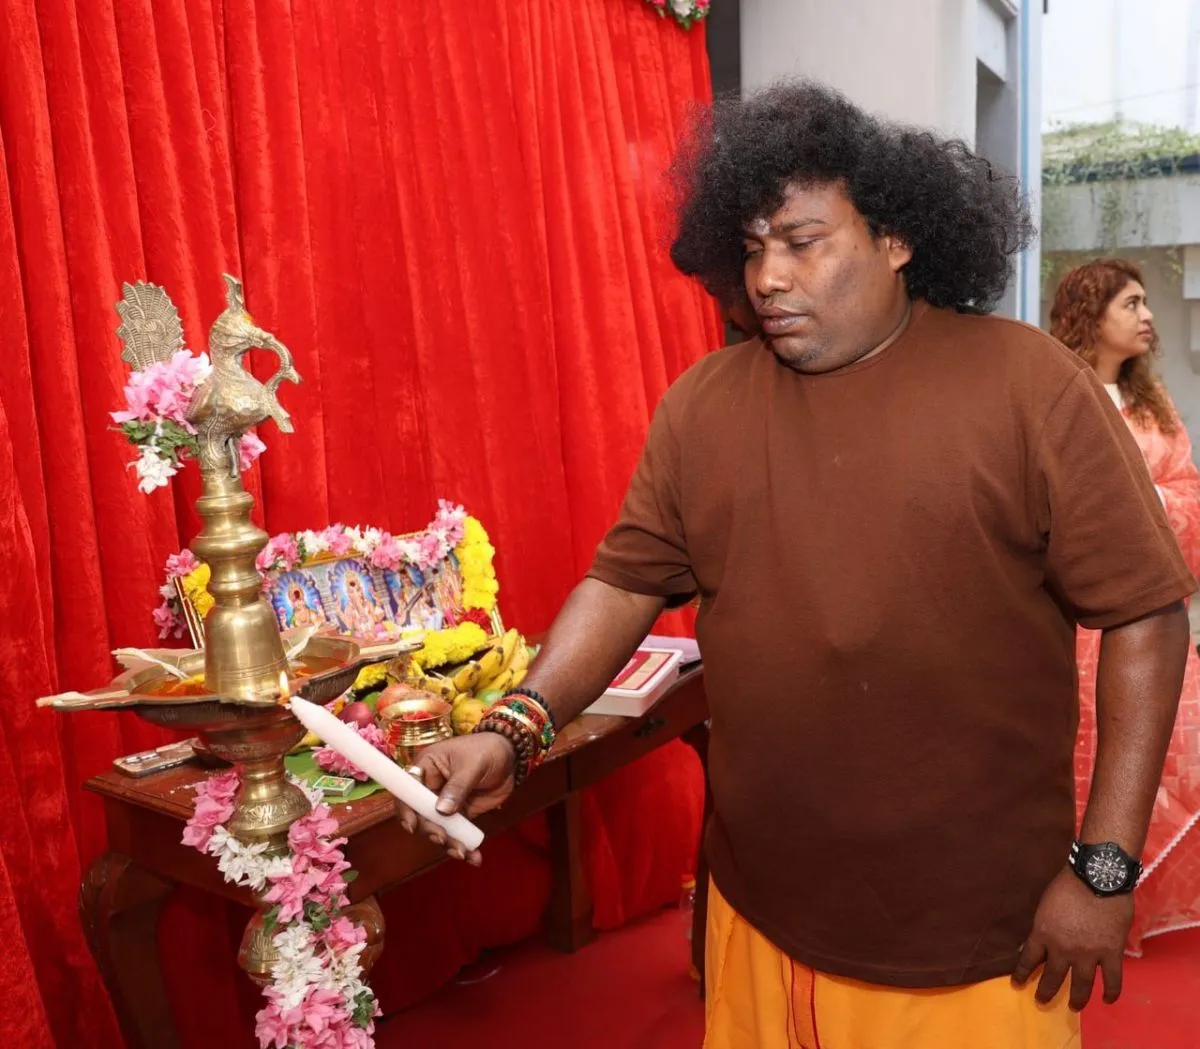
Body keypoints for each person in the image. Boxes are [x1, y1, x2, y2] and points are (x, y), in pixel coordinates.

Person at [394, 82, 1195, 1048]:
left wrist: (1103, 867)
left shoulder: (1029, 383)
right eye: (752, 246)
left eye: (803, 241)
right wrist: (513, 728)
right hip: (758, 909)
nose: (769, 275)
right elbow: (627, 580)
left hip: (973, 934)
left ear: (898, 239)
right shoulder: (703, 403)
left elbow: (1146, 615)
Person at [1050, 258, 1200, 955]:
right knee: (1077, 754)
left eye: (1146, 302)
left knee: (1151, 753)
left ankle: (1120, 896)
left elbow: (1189, 497)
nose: (1146, 315)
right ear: (1091, 312)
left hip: (1144, 620)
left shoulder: (1151, 406)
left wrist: (1147, 499)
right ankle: (1071, 892)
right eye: (1130, 302)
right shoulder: (1055, 395)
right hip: (1071, 622)